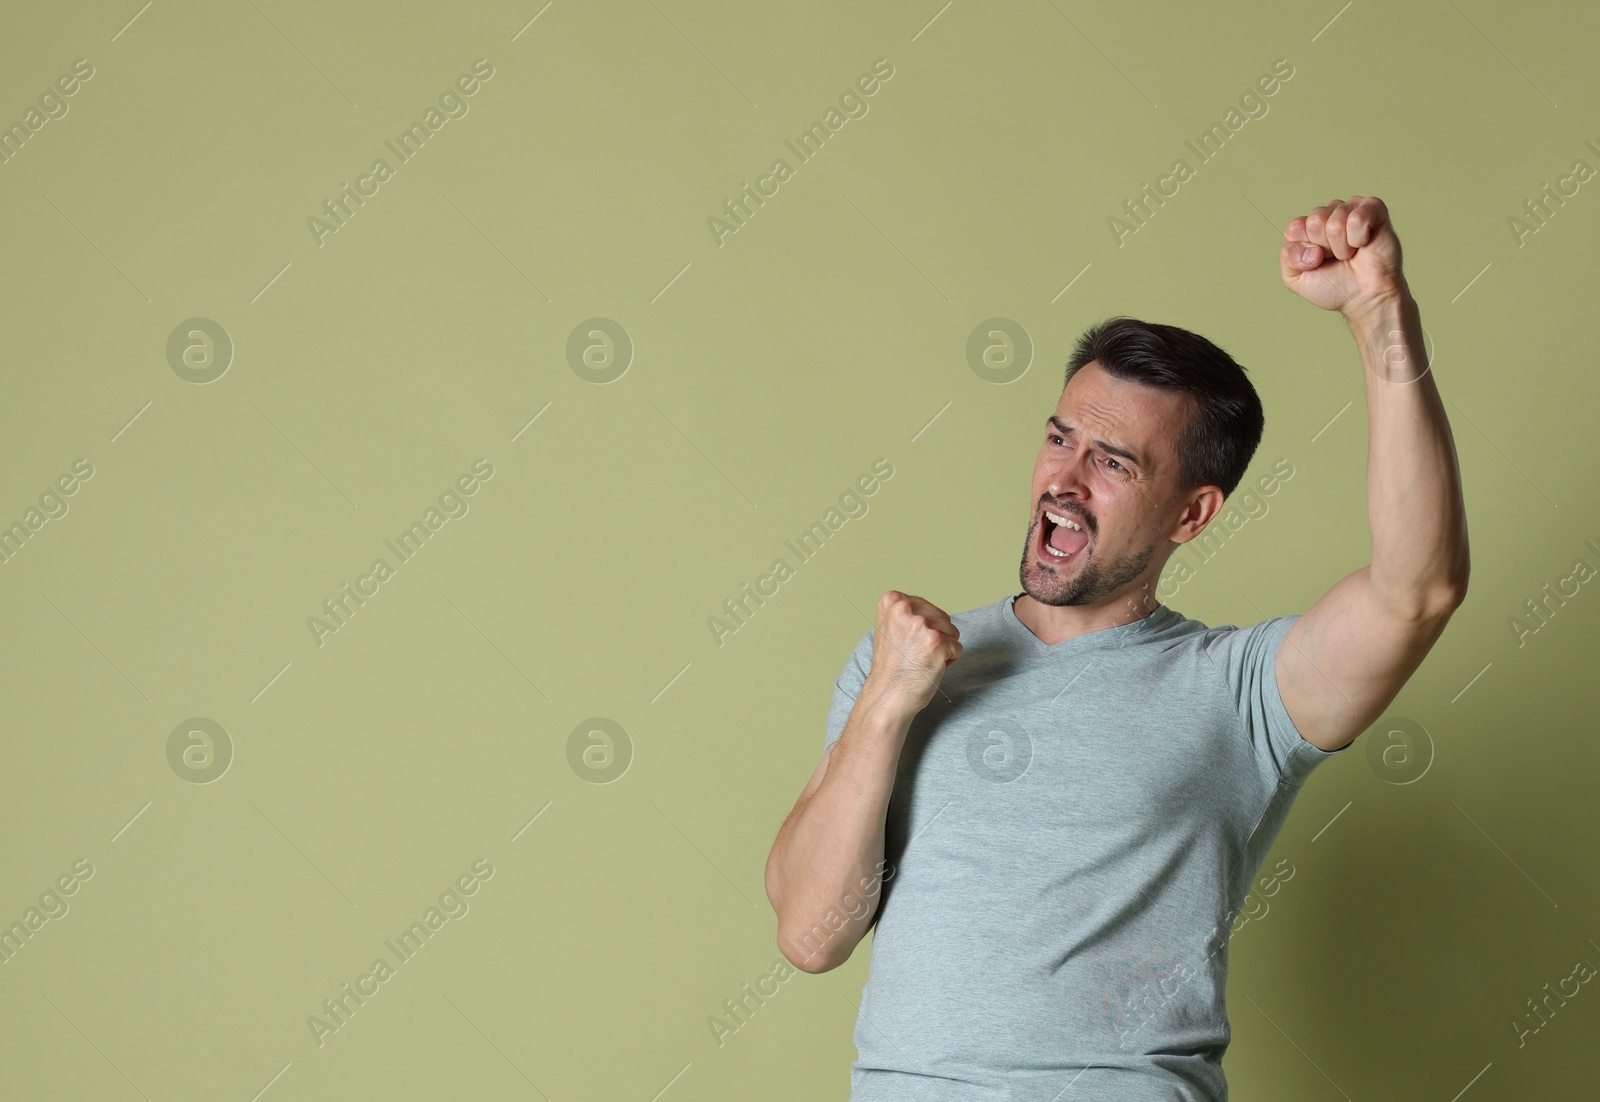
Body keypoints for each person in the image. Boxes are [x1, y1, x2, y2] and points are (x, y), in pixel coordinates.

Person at [763, 196, 1470, 1101]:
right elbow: (813, 937)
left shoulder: (1240, 694)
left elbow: (1419, 589)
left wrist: (1380, 315)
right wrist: (889, 704)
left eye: (1113, 462)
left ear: (1192, 513)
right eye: (1061, 438)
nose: (1063, 478)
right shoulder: (903, 663)